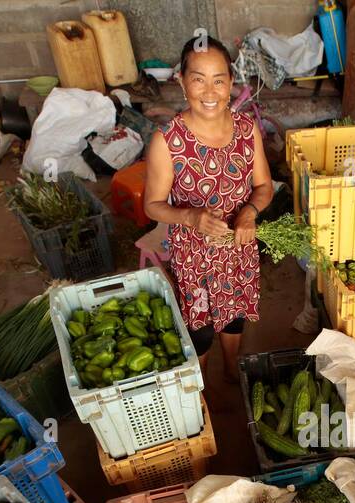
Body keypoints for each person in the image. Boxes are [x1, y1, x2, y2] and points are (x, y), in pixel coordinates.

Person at [144, 35, 274, 383]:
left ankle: (232, 373)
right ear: (183, 83)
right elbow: (153, 206)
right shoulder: (167, 141)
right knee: (199, 326)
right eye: (198, 79)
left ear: (231, 83)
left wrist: (248, 213)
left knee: (233, 314)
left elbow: (263, 187)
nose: (210, 91)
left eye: (219, 80)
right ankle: (204, 388)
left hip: (237, 246)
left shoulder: (247, 130)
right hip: (193, 253)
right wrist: (189, 216)